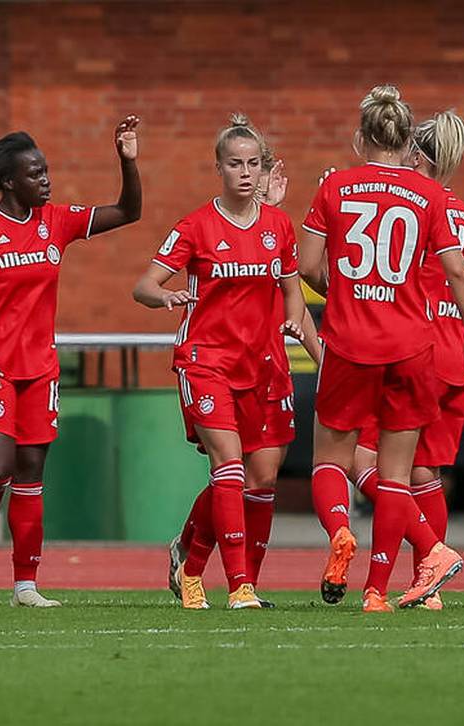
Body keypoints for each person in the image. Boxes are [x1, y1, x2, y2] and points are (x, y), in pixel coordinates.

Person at [0, 117, 142, 607]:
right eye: (35, 174)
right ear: (8, 181)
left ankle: (25, 586)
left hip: (40, 371)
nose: (45, 181)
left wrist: (128, 160)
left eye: (46, 171)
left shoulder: (56, 221)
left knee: (30, 475)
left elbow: (128, 211)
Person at [300, 86, 464, 613]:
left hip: (350, 341)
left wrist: (345, 292)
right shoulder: (429, 197)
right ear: (406, 143)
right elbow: (456, 272)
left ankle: (339, 530)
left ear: (361, 137)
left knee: (331, 460)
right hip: (411, 345)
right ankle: (377, 592)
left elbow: (308, 264)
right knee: (401, 476)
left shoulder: (335, 185)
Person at [133, 113, 307, 610]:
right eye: (235, 164)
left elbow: (291, 290)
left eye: (253, 163)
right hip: (205, 362)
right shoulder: (196, 226)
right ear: (219, 168)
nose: (245, 173)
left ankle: (190, 560)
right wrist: (162, 298)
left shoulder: (278, 225)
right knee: (228, 466)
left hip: (262, 366)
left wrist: (293, 321)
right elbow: (143, 285)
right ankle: (237, 587)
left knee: (262, 478)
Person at [348, 109, 464, 611]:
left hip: (411, 348)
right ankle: (428, 588)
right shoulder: (459, 206)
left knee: (361, 458)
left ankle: (431, 550)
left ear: (415, 154)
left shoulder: (413, 201)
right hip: (452, 351)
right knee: (425, 475)